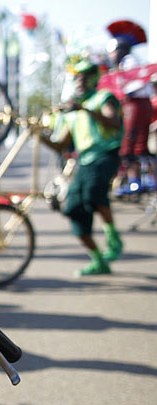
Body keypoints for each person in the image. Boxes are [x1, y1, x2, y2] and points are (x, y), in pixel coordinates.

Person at [42, 59, 123, 276]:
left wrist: (85, 109)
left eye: (85, 75)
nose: (80, 80)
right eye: (77, 76)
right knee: (73, 209)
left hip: (104, 156)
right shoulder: (74, 110)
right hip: (84, 161)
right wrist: (38, 135)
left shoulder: (102, 98)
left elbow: (113, 122)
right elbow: (60, 144)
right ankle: (98, 261)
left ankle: (113, 239)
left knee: (93, 195)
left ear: (94, 77)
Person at [107, 33, 154, 195]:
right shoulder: (126, 64)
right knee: (139, 146)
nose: (111, 55)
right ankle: (145, 180)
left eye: (113, 51)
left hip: (135, 105)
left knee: (129, 146)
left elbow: (131, 84)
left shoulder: (129, 63)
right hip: (140, 105)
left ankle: (136, 182)